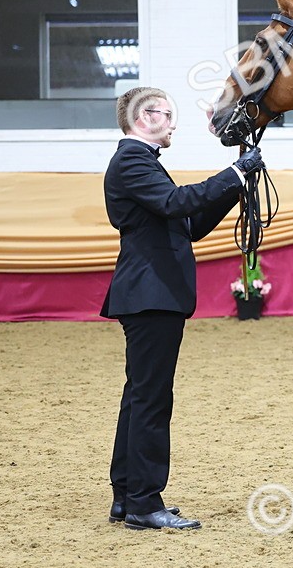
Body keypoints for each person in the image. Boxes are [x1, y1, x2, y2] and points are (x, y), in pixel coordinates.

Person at [100, 86, 263, 530]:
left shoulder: (143, 165)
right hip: (151, 295)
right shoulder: (132, 159)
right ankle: (144, 504)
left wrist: (237, 185)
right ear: (143, 115)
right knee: (151, 401)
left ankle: (127, 497)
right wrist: (232, 171)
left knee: (140, 397)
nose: (173, 123)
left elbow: (187, 224)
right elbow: (177, 203)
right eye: (167, 115)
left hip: (152, 295)